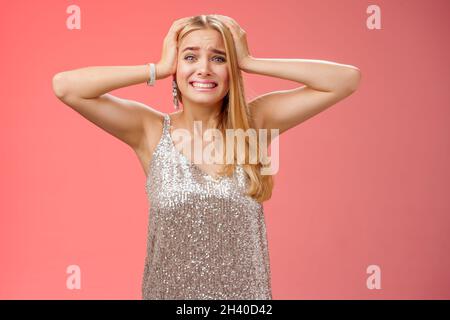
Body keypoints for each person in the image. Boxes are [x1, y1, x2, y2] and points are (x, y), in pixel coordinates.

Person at [52, 14, 361, 300]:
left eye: (218, 58)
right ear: (177, 67)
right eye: (190, 57)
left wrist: (251, 61)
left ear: (232, 69)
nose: (204, 68)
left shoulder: (255, 123)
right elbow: (66, 87)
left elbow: (345, 79)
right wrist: (157, 68)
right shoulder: (150, 130)